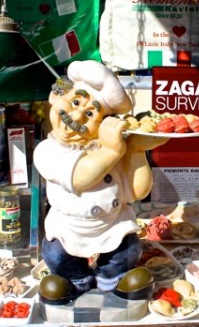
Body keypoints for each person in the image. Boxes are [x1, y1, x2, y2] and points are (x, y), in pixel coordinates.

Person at [33, 60, 168, 295]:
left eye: (90, 113)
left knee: (126, 250)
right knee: (57, 254)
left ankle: (113, 279)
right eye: (75, 102)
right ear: (55, 98)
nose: (76, 115)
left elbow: (138, 191)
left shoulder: (110, 149)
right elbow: (79, 177)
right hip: (68, 229)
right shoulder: (47, 150)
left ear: (103, 124)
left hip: (111, 226)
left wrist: (136, 150)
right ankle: (74, 281)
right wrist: (112, 151)